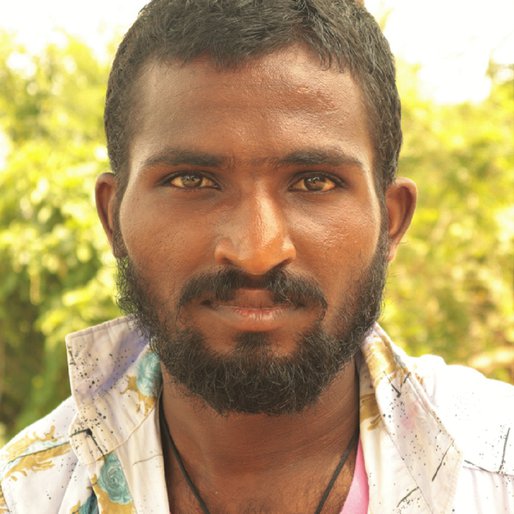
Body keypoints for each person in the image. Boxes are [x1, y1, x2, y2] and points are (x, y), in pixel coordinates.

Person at [1, 0, 513, 512]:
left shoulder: (497, 476)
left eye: (315, 182)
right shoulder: (24, 495)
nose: (256, 252)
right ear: (113, 218)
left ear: (392, 220)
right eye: (191, 180)